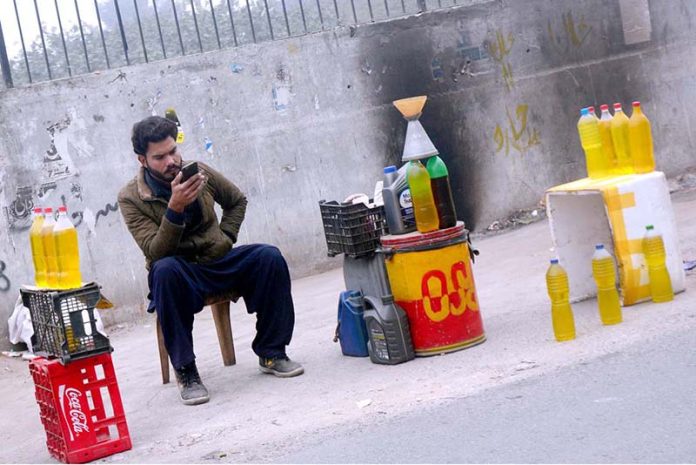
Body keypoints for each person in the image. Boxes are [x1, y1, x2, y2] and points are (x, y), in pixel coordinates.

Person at [118, 116, 303, 406]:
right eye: (160, 157)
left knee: (269, 257)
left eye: (173, 152)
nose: (171, 161)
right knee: (164, 271)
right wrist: (174, 209)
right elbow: (155, 251)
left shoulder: (199, 172)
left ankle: (272, 352)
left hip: (218, 260)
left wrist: (226, 237)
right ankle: (187, 372)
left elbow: (237, 200)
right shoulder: (131, 197)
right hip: (180, 272)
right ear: (142, 159)